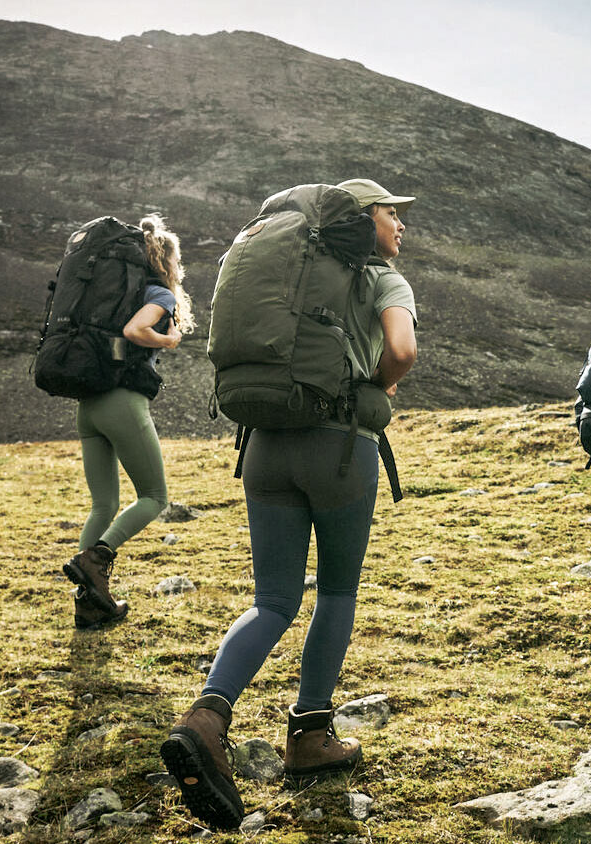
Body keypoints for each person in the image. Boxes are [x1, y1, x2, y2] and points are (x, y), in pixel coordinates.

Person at [161, 179, 418, 829]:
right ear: (365, 221)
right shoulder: (382, 280)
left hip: (265, 446)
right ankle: (309, 738)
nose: (401, 227)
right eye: (393, 215)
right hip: (337, 448)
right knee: (336, 593)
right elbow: (403, 351)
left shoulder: (291, 269)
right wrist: (373, 391)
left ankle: (208, 716)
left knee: (272, 601)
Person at [62, 214, 194, 631]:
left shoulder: (114, 293)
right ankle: (96, 559)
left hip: (89, 406)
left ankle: (90, 604)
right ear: (167, 262)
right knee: (154, 497)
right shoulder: (159, 293)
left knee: (103, 504)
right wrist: (167, 339)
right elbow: (136, 330)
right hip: (123, 404)